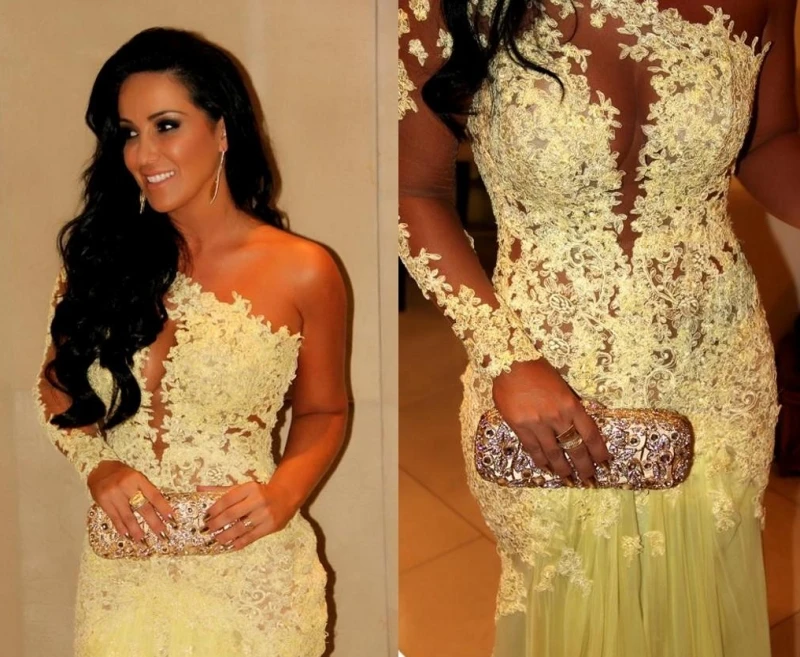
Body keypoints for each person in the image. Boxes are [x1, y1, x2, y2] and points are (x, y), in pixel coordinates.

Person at [399, 0, 798, 655]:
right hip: (541, 373)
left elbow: (769, 141)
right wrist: (504, 356)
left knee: (700, 599)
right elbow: (412, 192)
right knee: (569, 606)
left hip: (718, 371)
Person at [34, 27, 347, 656]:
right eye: (128, 133)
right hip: (123, 581)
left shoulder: (305, 270)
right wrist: (99, 466)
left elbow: (325, 410)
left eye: (166, 125)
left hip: (252, 578)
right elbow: (54, 386)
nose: (143, 154)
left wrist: (284, 494)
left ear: (222, 130)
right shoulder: (97, 262)